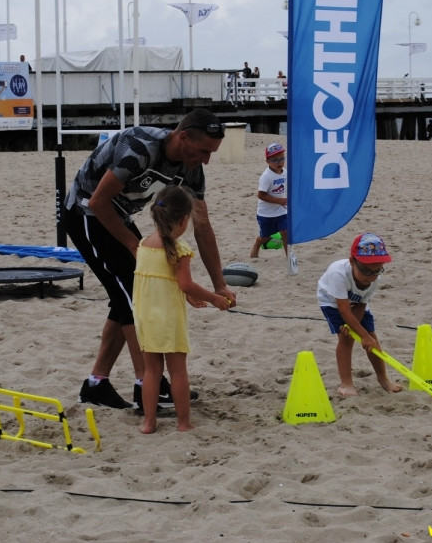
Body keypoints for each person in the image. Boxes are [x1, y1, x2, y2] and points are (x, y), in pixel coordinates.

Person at [63, 108, 237, 409]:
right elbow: (98, 201)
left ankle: (96, 384)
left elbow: (202, 225)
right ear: (183, 137)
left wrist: (219, 284)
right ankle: (148, 385)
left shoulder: (191, 167)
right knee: (134, 296)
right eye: (204, 151)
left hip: (117, 214)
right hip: (85, 212)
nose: (206, 160)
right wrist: (135, 245)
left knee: (127, 295)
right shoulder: (140, 148)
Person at [135, 186, 232, 433]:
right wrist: (213, 298)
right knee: (178, 372)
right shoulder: (180, 249)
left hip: (145, 317)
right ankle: (183, 422)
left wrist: (187, 296)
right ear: (183, 219)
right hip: (169, 320)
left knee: (151, 371)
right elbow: (186, 283)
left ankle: (148, 422)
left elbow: (164, 281)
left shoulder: (143, 245)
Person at [317, 233, 402, 397]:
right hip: (333, 303)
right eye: (365, 271)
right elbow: (343, 310)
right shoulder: (338, 273)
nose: (370, 276)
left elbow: (361, 304)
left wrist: (361, 332)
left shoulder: (374, 279)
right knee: (346, 339)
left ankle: (383, 379)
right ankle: (346, 383)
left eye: (376, 271)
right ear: (352, 261)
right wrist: (352, 330)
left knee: (372, 340)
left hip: (356, 304)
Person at [249, 142, 288, 259]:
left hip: (282, 211)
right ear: (268, 161)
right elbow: (261, 195)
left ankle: (289, 257)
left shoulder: (285, 172)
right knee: (265, 236)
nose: (279, 162)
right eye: (275, 160)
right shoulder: (266, 176)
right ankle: (257, 244)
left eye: (281, 159)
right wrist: (279, 201)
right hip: (266, 213)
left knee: (286, 233)